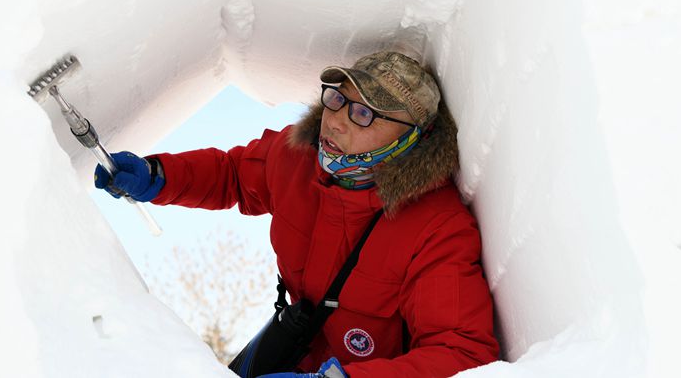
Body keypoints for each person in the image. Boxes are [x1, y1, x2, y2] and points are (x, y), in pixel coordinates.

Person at [95, 50, 500, 377]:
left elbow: (462, 353)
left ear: (412, 139)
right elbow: (233, 175)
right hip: (292, 345)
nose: (338, 121)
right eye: (338, 99)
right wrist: (157, 175)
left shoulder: (437, 228)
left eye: (364, 114)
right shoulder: (296, 158)